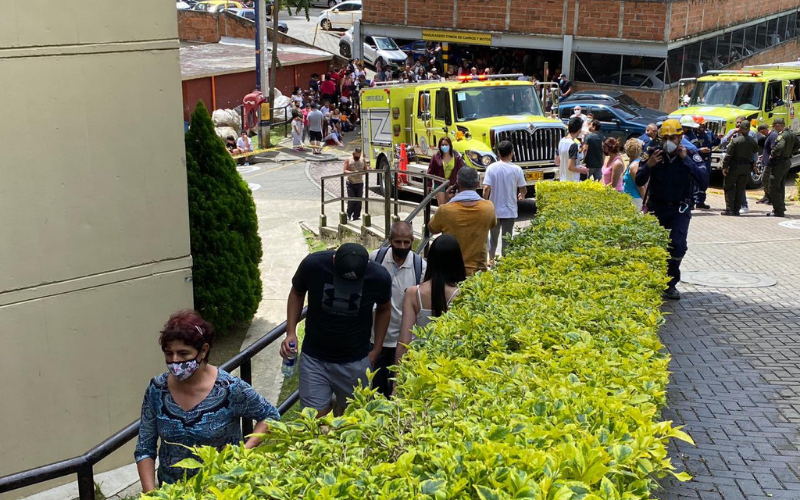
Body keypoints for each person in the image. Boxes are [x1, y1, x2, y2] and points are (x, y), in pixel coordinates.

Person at [134, 310, 279, 491]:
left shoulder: (229, 388)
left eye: (183, 353)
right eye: (169, 353)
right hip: (171, 492)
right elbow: (144, 448)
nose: (174, 361)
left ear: (203, 350)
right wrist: (151, 494)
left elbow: (270, 416)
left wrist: (243, 453)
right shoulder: (157, 389)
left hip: (221, 489)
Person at [281, 243, 392, 416]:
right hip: (314, 358)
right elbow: (297, 292)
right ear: (334, 260)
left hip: (355, 360)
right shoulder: (313, 265)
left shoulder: (379, 277)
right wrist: (290, 332)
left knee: (351, 418)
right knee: (315, 419)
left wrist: (377, 349)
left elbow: (385, 308)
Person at [636, 119, 708, 301]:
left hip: (680, 208)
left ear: (680, 137)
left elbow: (703, 180)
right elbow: (639, 179)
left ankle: (670, 284)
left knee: (677, 244)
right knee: (654, 246)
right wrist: (649, 165)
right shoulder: (653, 153)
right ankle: (654, 280)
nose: (669, 141)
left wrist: (686, 161)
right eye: (665, 137)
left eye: (673, 137)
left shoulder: (690, 154)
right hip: (657, 207)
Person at [368, 222, 426, 397]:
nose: (402, 247)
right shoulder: (375, 259)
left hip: (404, 341)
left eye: (406, 243)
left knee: (398, 390)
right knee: (374, 389)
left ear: (413, 241)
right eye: (398, 242)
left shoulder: (420, 267)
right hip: (376, 337)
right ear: (389, 240)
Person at [395, 235, 465, 364]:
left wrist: (397, 376)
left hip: (419, 362)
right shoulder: (463, 294)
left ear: (431, 260)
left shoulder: (413, 293)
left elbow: (404, 341)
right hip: (448, 363)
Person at [428, 167, 497, 275]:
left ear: (457, 184)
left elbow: (432, 228)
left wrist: (445, 201)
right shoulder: (488, 208)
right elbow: (492, 224)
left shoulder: (445, 210)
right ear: (478, 184)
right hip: (478, 272)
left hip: (451, 271)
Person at [482, 140, 527, 260]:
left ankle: (491, 260)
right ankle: (505, 262)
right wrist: (522, 195)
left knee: (493, 236)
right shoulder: (517, 169)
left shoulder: (491, 168)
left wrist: (484, 203)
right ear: (511, 153)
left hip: (494, 210)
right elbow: (523, 188)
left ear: (498, 153)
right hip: (510, 209)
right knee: (507, 237)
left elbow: (486, 188)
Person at [721, 120, 758, 216]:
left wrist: (724, 167)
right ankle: (737, 210)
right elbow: (755, 152)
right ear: (749, 129)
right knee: (740, 189)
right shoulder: (752, 141)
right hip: (746, 168)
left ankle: (730, 209)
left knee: (729, 187)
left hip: (734, 167)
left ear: (740, 129)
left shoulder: (735, 141)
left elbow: (728, 155)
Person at [766, 118, 798, 217]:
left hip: (779, 163)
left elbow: (779, 147)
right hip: (787, 161)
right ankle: (781, 206)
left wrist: (773, 154)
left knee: (773, 186)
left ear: (778, 125)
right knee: (781, 185)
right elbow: (797, 145)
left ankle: (778, 210)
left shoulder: (782, 136)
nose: (774, 128)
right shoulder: (792, 134)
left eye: (774, 126)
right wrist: (791, 152)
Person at [427, 136, 465, 204]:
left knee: (451, 205)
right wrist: (428, 185)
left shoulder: (456, 157)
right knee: (442, 205)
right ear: (439, 146)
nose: (444, 146)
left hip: (452, 185)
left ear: (450, 145)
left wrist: (461, 186)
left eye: (446, 144)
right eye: (442, 145)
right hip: (439, 184)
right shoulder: (435, 157)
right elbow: (430, 171)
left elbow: (461, 172)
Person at [693, 119, 718, 209]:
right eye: (700, 124)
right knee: (695, 181)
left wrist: (719, 138)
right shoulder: (692, 134)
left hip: (706, 161)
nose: (702, 126)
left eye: (703, 124)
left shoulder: (708, 133)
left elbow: (715, 142)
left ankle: (700, 201)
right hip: (696, 160)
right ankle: (693, 200)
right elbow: (690, 147)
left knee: (704, 182)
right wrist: (700, 150)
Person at [558, 117, 590, 181]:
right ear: (579, 129)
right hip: (572, 181)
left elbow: (557, 161)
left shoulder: (561, 141)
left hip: (562, 179)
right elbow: (570, 167)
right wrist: (582, 170)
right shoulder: (573, 145)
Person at [756, 123, 778, 205]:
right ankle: (766, 196)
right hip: (765, 161)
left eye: (761, 132)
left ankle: (770, 197)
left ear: (764, 130)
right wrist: (764, 155)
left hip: (769, 163)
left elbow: (773, 148)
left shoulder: (773, 136)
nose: (762, 134)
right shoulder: (768, 136)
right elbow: (768, 149)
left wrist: (770, 157)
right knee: (765, 180)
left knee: (765, 179)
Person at [622, 138, 646, 210]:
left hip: (635, 200)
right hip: (631, 198)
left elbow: (640, 186)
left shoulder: (634, 166)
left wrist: (645, 203)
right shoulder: (633, 163)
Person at [343, 148, 366, 221]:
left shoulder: (363, 160)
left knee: (359, 200)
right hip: (350, 182)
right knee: (351, 199)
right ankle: (348, 214)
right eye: (356, 156)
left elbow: (366, 169)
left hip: (359, 182)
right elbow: (344, 171)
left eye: (358, 156)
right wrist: (352, 173)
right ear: (353, 154)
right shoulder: (348, 160)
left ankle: (356, 216)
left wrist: (362, 172)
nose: (357, 157)